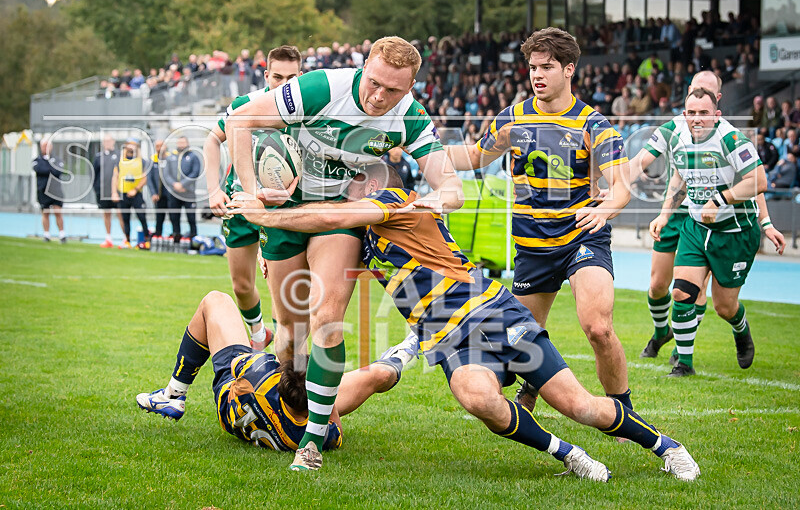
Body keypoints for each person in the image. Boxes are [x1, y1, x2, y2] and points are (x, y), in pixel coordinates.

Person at [228, 164, 700, 481]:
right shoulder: (362, 233)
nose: (343, 193)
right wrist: (280, 256)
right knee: (478, 398)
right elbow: (326, 267)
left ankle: (665, 446)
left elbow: (331, 215)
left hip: (493, 315)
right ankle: (568, 454)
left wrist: (265, 215)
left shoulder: (395, 200)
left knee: (581, 407)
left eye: (350, 184)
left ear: (370, 186)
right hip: (451, 340)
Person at [227, 36, 463, 469]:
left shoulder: (408, 115)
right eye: (374, 83)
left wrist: (442, 197)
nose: (379, 97)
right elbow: (241, 120)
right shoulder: (319, 88)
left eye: (394, 90)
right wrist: (250, 193)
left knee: (327, 315)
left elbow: (450, 183)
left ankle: (311, 441)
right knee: (291, 333)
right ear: (364, 66)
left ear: (410, 86)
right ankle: (304, 398)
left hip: (339, 217)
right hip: (285, 213)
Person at [445, 27, 633, 412]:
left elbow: (621, 187)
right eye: (532, 67)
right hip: (532, 245)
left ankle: (623, 410)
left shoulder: (593, 125)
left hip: (581, 238)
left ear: (569, 70)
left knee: (598, 327)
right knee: (522, 337)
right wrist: (421, 147)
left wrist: (603, 210)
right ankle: (531, 388)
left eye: (546, 66)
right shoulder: (512, 119)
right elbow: (474, 157)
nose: (537, 75)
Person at [629, 72, 785, 371]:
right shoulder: (678, 133)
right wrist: (661, 211)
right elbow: (676, 175)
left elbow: (757, 181)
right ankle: (683, 362)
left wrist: (760, 220)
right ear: (684, 109)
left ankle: (740, 328)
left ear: (718, 109)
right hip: (695, 224)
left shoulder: (731, 139)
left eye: (704, 112)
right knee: (679, 290)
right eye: (692, 112)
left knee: (723, 306)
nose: (697, 118)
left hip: (734, 229)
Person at [135, 290, 411, 455]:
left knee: (214, 301)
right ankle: (411, 346)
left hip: (231, 397)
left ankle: (174, 394)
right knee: (380, 377)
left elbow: (240, 362)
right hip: (287, 413)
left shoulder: (262, 373)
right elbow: (335, 426)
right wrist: (327, 391)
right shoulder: (314, 437)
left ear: (282, 375)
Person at [204, 45, 303, 351]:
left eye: (291, 77)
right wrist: (213, 190)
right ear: (266, 74)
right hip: (241, 203)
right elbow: (211, 141)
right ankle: (259, 334)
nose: (283, 83)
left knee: (281, 293)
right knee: (242, 286)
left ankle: (278, 363)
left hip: (282, 211)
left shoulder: (308, 111)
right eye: (277, 76)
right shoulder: (246, 104)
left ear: (301, 76)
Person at [111, 138, 150, 249]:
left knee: (142, 217)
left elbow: (145, 177)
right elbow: (115, 177)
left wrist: (136, 189)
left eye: (134, 145)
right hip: (123, 194)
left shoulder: (141, 161)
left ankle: (147, 240)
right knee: (125, 218)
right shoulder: (120, 161)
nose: (131, 147)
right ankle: (127, 241)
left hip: (136, 194)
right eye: (129, 144)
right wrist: (114, 192)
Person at [163, 136, 201, 241]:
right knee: (174, 217)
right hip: (174, 193)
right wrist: (175, 185)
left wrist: (183, 185)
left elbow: (195, 173)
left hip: (188, 193)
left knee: (191, 217)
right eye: (179, 142)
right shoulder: (170, 157)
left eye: (183, 142)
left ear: (187, 143)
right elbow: (166, 174)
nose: (181, 144)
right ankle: (176, 237)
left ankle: (194, 238)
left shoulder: (193, 157)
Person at [32, 138, 66, 243]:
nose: (46, 148)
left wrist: (48, 168)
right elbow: (40, 169)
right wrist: (49, 167)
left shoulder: (57, 159)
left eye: (48, 145)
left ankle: (62, 235)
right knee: (45, 212)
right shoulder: (36, 160)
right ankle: (46, 235)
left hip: (55, 191)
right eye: (44, 145)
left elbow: (57, 171)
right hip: (43, 190)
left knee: (58, 211)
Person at [93, 134, 124, 248]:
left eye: (109, 141)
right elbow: (94, 174)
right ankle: (108, 238)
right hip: (103, 191)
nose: (107, 143)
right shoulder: (98, 156)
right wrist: (96, 188)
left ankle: (126, 238)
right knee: (106, 214)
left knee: (120, 214)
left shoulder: (120, 155)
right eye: (105, 141)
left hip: (118, 191)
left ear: (113, 141)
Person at [148, 139, 171, 238]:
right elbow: (149, 179)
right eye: (157, 146)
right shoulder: (152, 161)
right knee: (159, 217)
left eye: (161, 146)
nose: (160, 148)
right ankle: (158, 236)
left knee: (174, 217)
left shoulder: (171, 158)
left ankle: (175, 237)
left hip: (171, 195)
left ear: (165, 146)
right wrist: (153, 193)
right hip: (159, 195)